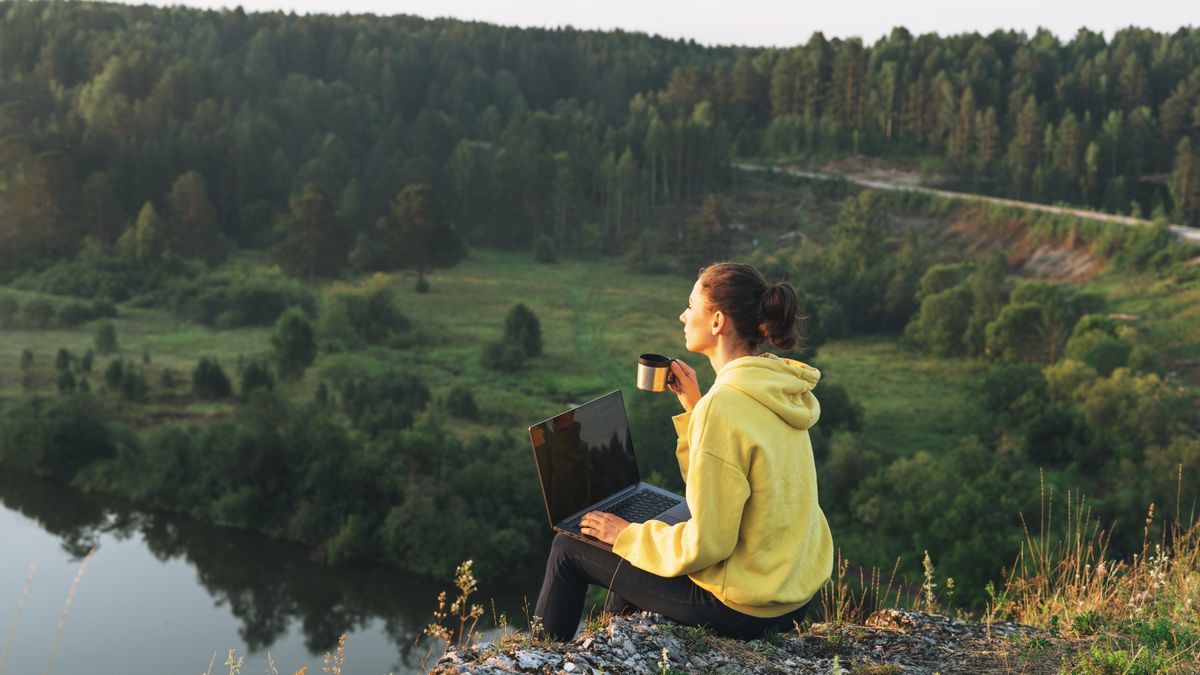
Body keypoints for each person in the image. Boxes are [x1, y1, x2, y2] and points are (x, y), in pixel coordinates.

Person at [533, 261, 834, 641]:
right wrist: (695, 407)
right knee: (654, 534)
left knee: (568, 549)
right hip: (791, 595)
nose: (682, 315)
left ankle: (536, 662)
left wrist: (626, 535)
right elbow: (719, 493)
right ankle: (614, 644)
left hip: (744, 607)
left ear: (717, 321)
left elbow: (708, 543)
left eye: (691, 305)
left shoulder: (724, 406)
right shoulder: (773, 384)